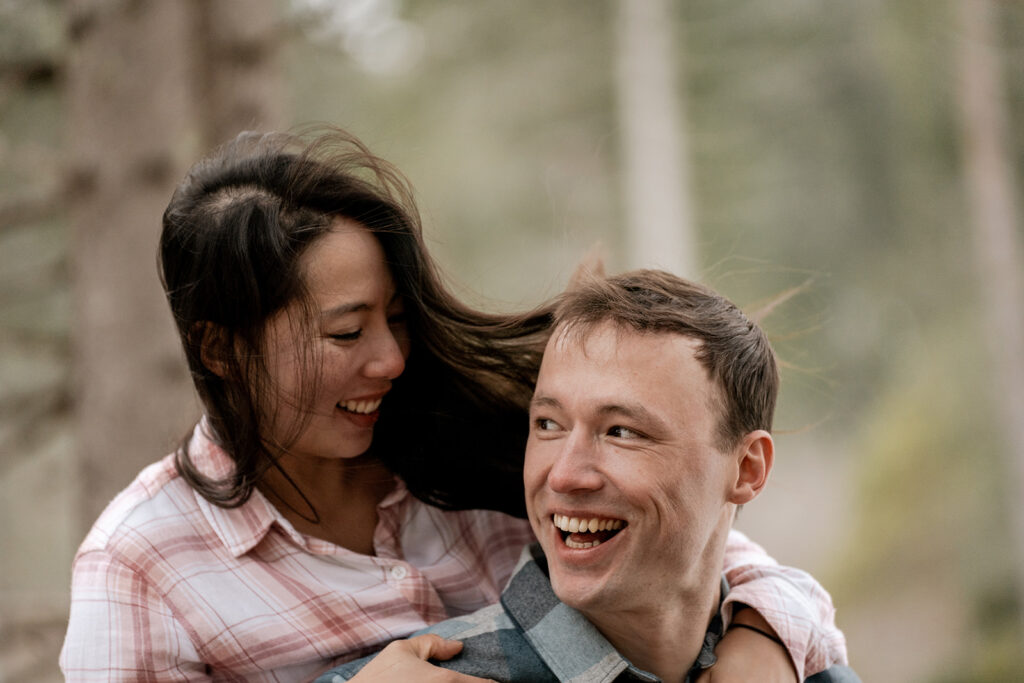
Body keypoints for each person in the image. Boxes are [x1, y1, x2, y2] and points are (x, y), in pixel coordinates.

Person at [60, 130, 846, 681]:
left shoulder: (473, 437)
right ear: (221, 350)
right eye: (346, 331)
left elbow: (693, 540)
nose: (392, 357)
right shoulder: (140, 565)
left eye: (397, 317)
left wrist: (762, 641)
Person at [318, 270, 858, 683]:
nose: (566, 474)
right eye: (548, 424)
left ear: (746, 469)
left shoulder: (806, 669)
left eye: (622, 431)